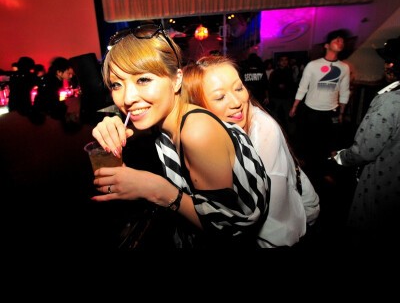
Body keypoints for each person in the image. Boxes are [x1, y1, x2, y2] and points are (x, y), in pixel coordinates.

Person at [90, 24, 270, 249]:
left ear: (176, 80)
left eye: (143, 80)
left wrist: (156, 190)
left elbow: (227, 228)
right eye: (117, 84)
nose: (127, 98)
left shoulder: (197, 131)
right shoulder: (163, 120)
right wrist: (112, 123)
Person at [183, 55, 320, 248]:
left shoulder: (263, 132)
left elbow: (275, 223)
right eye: (220, 97)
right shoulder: (213, 131)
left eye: (239, 88)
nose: (236, 101)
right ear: (197, 105)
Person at [330, 36, 400, 248]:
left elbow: (365, 150)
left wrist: (340, 157)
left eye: (390, 61)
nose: (387, 65)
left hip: (384, 184)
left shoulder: (389, 101)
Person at [289, 29, 351, 186]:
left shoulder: (344, 67)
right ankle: (306, 170)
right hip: (311, 109)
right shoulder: (313, 65)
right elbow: (303, 87)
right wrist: (295, 106)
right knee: (309, 141)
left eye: (342, 41)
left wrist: (341, 112)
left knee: (328, 143)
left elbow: (345, 91)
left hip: (331, 111)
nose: (340, 43)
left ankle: (324, 171)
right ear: (326, 45)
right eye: (336, 40)